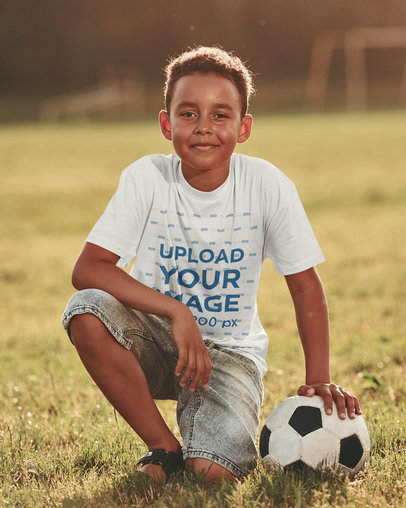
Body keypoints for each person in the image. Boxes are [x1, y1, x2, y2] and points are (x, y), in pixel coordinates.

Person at [62, 46, 361, 483]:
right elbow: (88, 269)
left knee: (213, 475)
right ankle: (163, 448)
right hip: (156, 338)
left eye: (221, 115)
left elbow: (304, 284)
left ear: (244, 128)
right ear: (167, 124)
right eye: (188, 113)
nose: (204, 127)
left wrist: (319, 377)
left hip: (228, 354)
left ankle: (203, 443)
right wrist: (176, 311)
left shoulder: (267, 186)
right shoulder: (147, 178)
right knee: (86, 310)